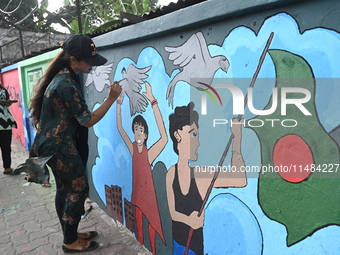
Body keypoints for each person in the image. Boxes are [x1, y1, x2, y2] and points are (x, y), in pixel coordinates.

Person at [29, 34, 122, 253]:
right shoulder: (66, 83)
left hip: (53, 144)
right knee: (77, 188)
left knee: (65, 189)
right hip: (58, 146)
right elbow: (87, 120)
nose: (91, 64)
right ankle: (69, 242)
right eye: (87, 60)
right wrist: (111, 98)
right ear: (72, 59)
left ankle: (69, 233)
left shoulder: (66, 76)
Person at [166, 102, 247, 255]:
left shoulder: (201, 175)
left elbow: (239, 179)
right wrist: (189, 220)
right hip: (177, 245)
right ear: (177, 135)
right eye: (193, 134)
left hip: (194, 249)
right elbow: (173, 213)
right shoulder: (171, 173)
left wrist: (237, 139)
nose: (198, 142)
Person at [116, 81, 167, 255]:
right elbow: (120, 129)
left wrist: (154, 102)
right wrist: (118, 104)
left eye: (141, 130)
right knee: (139, 231)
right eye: (136, 129)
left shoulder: (149, 154)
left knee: (152, 229)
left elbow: (164, 138)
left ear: (146, 135)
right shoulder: (132, 149)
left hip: (149, 197)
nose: (138, 133)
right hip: (137, 196)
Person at [0, 83, 18, 175]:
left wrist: (7, 103)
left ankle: (7, 168)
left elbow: (6, 104)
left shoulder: (3, 89)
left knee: (6, 147)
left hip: (5, 122)